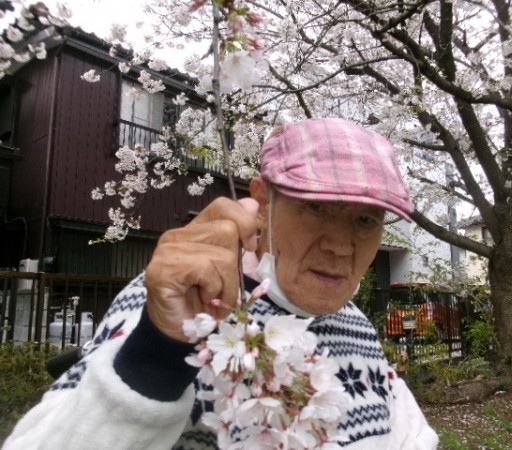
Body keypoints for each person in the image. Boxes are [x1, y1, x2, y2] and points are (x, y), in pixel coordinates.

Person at [3, 118, 438, 450]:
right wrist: (157, 354)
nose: (341, 247)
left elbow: (407, 432)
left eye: (366, 220)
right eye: (317, 207)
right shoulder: (181, 304)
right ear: (262, 202)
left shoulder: (355, 321)